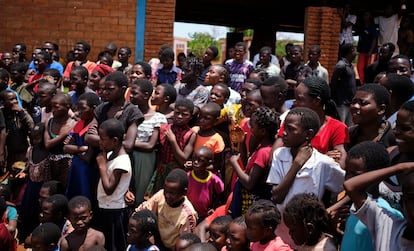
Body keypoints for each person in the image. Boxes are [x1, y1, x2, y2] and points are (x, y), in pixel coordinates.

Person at [267, 107, 345, 247]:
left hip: (306, 231)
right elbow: (277, 196)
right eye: (284, 127)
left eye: (291, 129)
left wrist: (331, 210)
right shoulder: (280, 155)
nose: (284, 133)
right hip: (282, 229)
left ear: (308, 134)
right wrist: (297, 164)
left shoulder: (322, 163)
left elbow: (347, 185)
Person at [340, 141, 403, 251]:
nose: (348, 179)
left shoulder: (386, 214)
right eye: (347, 172)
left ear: (374, 175)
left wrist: (398, 168)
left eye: (355, 175)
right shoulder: (357, 206)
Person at [344, 161, 414, 250]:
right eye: (412, 199)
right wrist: (399, 168)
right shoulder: (388, 224)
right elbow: (351, 186)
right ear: (403, 201)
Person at [229, 107, 278, 217]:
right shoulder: (263, 147)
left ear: (262, 131)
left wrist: (234, 163)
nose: (249, 128)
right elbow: (248, 167)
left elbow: (250, 183)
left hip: (252, 204)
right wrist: (242, 143)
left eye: (252, 125)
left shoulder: (263, 152)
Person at [127, 79, 167, 206]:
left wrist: (128, 142)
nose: (131, 96)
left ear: (145, 95)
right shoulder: (128, 113)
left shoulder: (158, 118)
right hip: (127, 156)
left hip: (145, 159)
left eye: (135, 93)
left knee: (140, 192)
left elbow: (150, 146)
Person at [136, 169, 198, 250]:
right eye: (166, 191)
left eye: (172, 193)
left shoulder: (187, 215)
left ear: (184, 192)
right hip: (157, 240)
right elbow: (141, 212)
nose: (167, 196)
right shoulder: (161, 195)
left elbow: (185, 244)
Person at [85, 71, 144, 154]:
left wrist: (99, 138)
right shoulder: (102, 108)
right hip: (97, 160)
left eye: (110, 89)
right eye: (105, 89)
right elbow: (88, 138)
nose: (106, 92)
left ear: (123, 89)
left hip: (118, 161)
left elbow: (128, 145)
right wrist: (118, 139)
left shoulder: (132, 112)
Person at [146, 99, 196, 196]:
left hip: (176, 173)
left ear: (190, 116)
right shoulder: (164, 128)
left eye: (184, 114)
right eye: (177, 113)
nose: (179, 116)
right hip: (160, 170)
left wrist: (173, 140)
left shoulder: (191, 134)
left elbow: (183, 159)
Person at [95, 119, 132, 251]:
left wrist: (101, 166)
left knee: (115, 246)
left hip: (115, 212)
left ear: (115, 140)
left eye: (103, 139)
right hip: (106, 207)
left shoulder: (122, 161)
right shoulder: (111, 155)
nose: (100, 142)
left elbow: (109, 189)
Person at [64, 93, 101, 201]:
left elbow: (88, 157)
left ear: (94, 109)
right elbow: (66, 147)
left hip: (87, 171)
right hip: (76, 167)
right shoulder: (80, 123)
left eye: (83, 108)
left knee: (85, 196)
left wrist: (74, 149)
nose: (79, 112)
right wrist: (82, 149)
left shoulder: (95, 128)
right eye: (78, 108)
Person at [348, 83, 395, 149]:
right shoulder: (348, 135)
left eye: (363, 103)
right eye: (353, 102)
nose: (355, 106)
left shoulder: (394, 138)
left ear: (381, 109)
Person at [44, 93, 76, 189]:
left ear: (67, 107)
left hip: (67, 166)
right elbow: (47, 144)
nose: (53, 110)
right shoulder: (49, 122)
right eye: (52, 106)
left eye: (56, 107)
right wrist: (65, 134)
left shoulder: (75, 123)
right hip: (50, 166)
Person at [1, 89, 34, 173]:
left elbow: (31, 127)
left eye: (16, 98)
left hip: (21, 151)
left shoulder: (20, 113)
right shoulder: (1, 114)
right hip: (7, 154)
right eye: (11, 99)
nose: (15, 101)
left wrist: (22, 113)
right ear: (3, 102)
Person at [187, 146, 224, 221]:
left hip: (204, 215)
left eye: (200, 160)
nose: (195, 162)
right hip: (188, 213)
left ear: (209, 163)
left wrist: (214, 207)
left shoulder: (213, 179)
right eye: (194, 159)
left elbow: (220, 193)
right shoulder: (188, 176)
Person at [192, 102, 226, 172]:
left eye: (206, 118)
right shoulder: (194, 131)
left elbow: (217, 165)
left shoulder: (217, 139)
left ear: (215, 121)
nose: (201, 120)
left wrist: (199, 167)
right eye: (200, 116)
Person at [330, 43, 357, 126]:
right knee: (340, 125)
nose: (356, 53)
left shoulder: (350, 65)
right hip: (341, 102)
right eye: (355, 50)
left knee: (349, 126)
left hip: (349, 102)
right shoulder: (341, 66)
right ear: (351, 51)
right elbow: (333, 84)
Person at [356, 11, 378, 84]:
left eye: (366, 15)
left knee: (369, 68)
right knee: (360, 67)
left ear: (370, 17)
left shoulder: (372, 27)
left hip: (371, 52)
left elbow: (374, 39)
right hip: (362, 51)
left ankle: (369, 83)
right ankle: (363, 82)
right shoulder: (361, 26)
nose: (364, 16)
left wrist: (370, 51)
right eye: (364, 15)